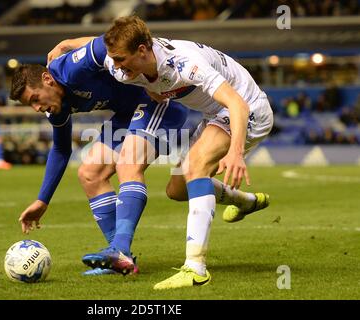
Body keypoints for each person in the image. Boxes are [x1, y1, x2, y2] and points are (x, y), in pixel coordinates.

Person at [48, 15, 273, 289]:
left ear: (142, 50)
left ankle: (195, 268)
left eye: (121, 60)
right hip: (213, 115)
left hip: (248, 110)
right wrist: (69, 43)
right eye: (114, 60)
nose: (116, 68)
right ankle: (244, 201)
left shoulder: (185, 64)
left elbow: (237, 104)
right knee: (177, 190)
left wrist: (236, 152)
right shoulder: (124, 64)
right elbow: (99, 50)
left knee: (194, 168)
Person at [10, 36, 189, 276]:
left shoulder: (69, 68)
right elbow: (61, 150)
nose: (36, 108)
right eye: (29, 106)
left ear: (47, 79)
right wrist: (43, 200)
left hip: (157, 100)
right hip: (128, 114)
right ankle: (120, 258)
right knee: (89, 174)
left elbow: (111, 41)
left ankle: (120, 250)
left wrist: (67, 44)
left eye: (35, 99)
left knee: (128, 164)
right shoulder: (55, 107)